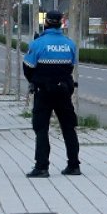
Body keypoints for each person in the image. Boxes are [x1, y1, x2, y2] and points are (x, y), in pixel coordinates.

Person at [22, 10, 80, 178]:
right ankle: (74, 165)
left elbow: (28, 68)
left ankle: (42, 167)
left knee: (41, 129)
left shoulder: (38, 44)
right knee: (69, 127)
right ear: (61, 23)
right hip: (63, 92)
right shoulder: (70, 44)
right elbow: (70, 67)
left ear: (46, 23)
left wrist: (35, 80)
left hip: (43, 92)